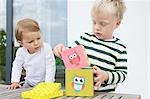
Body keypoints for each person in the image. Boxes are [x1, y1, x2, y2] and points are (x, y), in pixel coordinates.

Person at [53, 0, 127, 92]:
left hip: (105, 94)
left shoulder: (119, 48)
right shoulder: (85, 38)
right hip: (80, 92)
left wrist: (106, 75)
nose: (97, 27)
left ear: (117, 24)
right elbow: (70, 53)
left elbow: (122, 74)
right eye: (94, 22)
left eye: (102, 24)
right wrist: (61, 50)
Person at [9, 18, 56, 89]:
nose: (36, 43)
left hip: (45, 83)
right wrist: (15, 81)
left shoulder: (46, 48)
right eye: (31, 41)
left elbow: (50, 66)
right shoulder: (21, 52)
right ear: (21, 43)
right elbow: (17, 66)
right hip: (29, 83)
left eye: (38, 38)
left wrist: (48, 84)